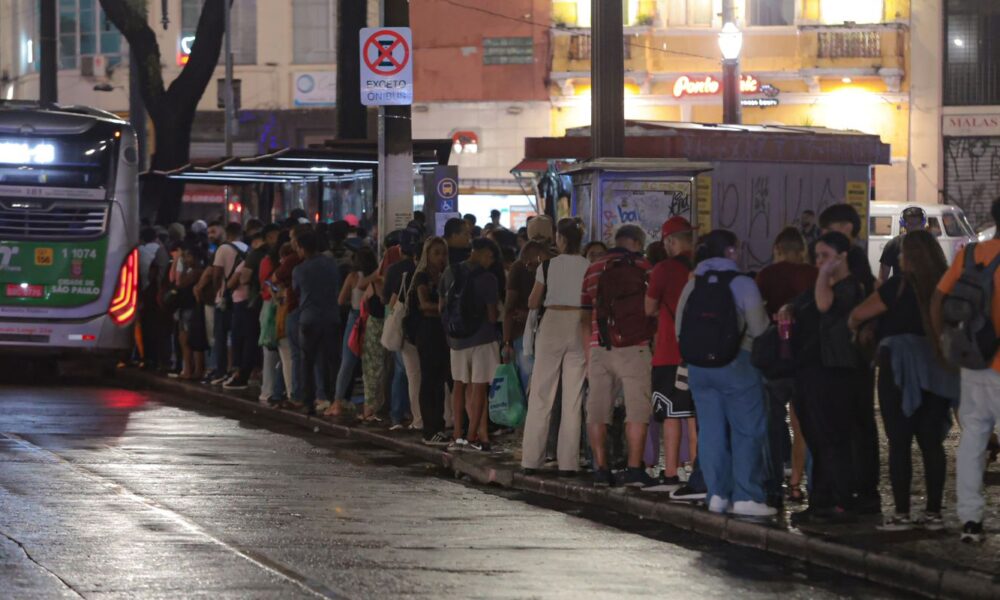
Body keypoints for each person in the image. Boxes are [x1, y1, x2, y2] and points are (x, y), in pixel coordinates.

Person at [849, 230, 957, 531]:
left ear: (908, 256)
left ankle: (901, 513)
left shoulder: (898, 285)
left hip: (898, 367)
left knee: (899, 441)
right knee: (932, 442)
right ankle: (934, 513)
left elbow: (858, 314)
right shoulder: (947, 283)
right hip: (938, 366)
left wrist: (862, 328)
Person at [675, 230, 773, 517]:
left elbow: (679, 329)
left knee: (710, 431)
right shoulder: (742, 283)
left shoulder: (692, 284)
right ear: (730, 251)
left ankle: (716, 494)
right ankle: (747, 496)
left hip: (699, 369)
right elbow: (759, 329)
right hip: (737, 364)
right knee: (746, 430)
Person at [931, 198, 1000, 543]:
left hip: (974, 362)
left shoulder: (970, 255)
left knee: (973, 439)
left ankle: (970, 520)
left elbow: (937, 299)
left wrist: (944, 345)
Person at [790, 231, 868, 526]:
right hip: (810, 370)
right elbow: (804, 303)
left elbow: (824, 305)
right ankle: (820, 500)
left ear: (842, 257)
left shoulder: (851, 288)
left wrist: (823, 274)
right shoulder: (822, 286)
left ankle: (841, 501)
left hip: (835, 372)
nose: (819, 262)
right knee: (816, 438)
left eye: (825, 256)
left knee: (834, 438)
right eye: (817, 257)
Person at [582, 225, 656, 487]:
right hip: (636, 346)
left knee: (597, 411)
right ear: (636, 242)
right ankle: (634, 469)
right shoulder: (644, 266)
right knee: (637, 411)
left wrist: (589, 353)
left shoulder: (594, 268)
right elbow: (653, 307)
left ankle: (601, 469)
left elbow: (584, 315)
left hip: (599, 345)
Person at [818, 203, 880, 512]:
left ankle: (859, 489)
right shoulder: (857, 259)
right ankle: (862, 487)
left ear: (846, 228)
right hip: (856, 354)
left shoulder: (852, 260)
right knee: (860, 422)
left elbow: (832, 303)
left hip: (849, 353)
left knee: (854, 423)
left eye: (829, 230)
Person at [754, 227, 817, 505]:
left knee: (772, 424)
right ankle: (803, 484)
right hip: (806, 359)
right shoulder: (813, 275)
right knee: (805, 425)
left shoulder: (767, 275)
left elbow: (757, 316)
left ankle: (773, 486)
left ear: (777, 249)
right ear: (802, 250)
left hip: (775, 360)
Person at [521, 219, 589, 475]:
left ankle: (532, 459)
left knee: (541, 393)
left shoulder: (548, 265)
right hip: (579, 323)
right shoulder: (588, 266)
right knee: (573, 397)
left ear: (560, 238)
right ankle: (569, 463)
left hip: (552, 324)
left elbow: (533, 301)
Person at [643, 217, 697, 492]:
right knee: (696, 416)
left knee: (671, 414)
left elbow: (649, 308)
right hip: (701, 353)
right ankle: (698, 472)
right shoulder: (701, 267)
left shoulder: (663, 269)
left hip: (669, 352)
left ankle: (672, 473)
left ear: (670, 242)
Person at [440, 238, 502, 452]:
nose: (490, 262)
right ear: (483, 253)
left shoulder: (450, 272)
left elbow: (442, 306)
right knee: (479, 388)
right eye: (490, 257)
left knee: (458, 386)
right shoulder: (488, 278)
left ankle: (458, 435)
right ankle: (472, 436)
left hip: (456, 340)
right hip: (482, 339)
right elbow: (492, 316)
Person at [290, 227, 341, 415]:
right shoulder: (331, 264)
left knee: (307, 361)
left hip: (309, 319)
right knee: (332, 361)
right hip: (331, 316)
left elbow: (296, 290)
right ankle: (335, 398)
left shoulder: (299, 270)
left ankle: (308, 402)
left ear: (302, 248)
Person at [408, 237, 451, 446]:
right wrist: (445, 308)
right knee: (429, 380)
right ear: (427, 255)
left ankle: (438, 426)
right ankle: (430, 428)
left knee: (440, 380)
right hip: (427, 331)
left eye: (443, 253)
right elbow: (424, 304)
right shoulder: (422, 277)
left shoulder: (446, 275)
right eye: (436, 253)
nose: (441, 257)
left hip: (442, 331)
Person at [330, 248, 379, 416]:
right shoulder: (376, 277)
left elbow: (340, 300)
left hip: (355, 318)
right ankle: (370, 404)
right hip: (372, 318)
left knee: (347, 361)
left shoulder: (352, 277)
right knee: (370, 363)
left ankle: (337, 402)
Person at [383, 228, 422, 431]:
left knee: (402, 372)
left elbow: (387, 300)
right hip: (422, 328)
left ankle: (398, 415)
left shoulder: (394, 270)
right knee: (418, 374)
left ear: (400, 249)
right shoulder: (423, 270)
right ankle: (413, 413)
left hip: (404, 327)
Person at [503, 240, 551, 391]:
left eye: (529, 264)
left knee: (530, 383)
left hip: (527, 333)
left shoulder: (519, 267)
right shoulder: (556, 265)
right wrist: (507, 341)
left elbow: (509, 306)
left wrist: (507, 341)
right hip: (531, 333)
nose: (528, 268)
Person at [204, 222, 247, 385]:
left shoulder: (222, 248)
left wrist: (217, 290)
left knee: (220, 336)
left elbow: (216, 274)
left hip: (223, 298)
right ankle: (233, 369)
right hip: (240, 297)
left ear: (227, 233)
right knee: (235, 337)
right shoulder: (247, 248)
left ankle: (220, 370)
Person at [880, 206, 927, 283]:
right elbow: (882, 279)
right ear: (903, 224)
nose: (914, 228)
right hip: (901, 289)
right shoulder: (893, 244)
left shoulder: (930, 244)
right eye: (910, 224)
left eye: (917, 224)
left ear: (923, 223)